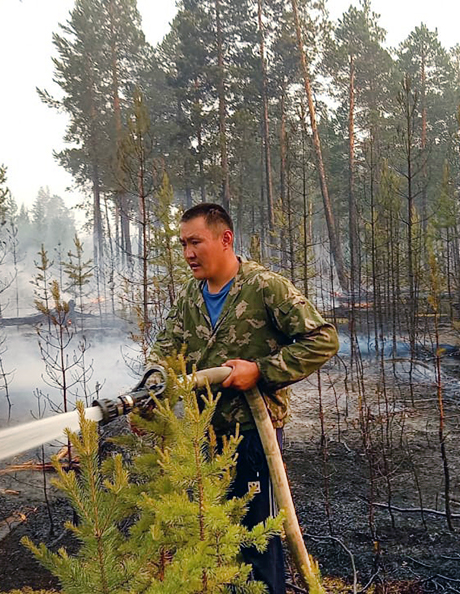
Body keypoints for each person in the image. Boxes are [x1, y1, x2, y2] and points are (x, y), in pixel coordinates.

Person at [148, 202, 339, 594]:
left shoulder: (264, 286)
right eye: (183, 243)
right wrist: (151, 385)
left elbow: (323, 340)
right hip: (206, 436)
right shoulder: (189, 296)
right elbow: (164, 349)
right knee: (213, 536)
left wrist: (261, 371)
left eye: (195, 242)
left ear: (225, 239)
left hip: (256, 436)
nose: (187, 253)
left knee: (258, 540)